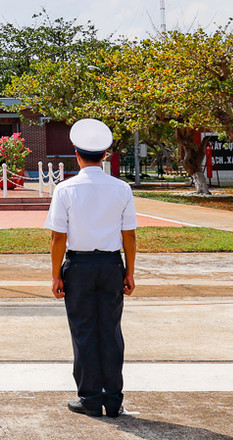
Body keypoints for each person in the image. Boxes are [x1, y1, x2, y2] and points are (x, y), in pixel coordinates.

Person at [45, 118, 137, 418]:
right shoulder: (122, 188)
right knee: (110, 332)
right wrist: (129, 271)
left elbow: (58, 237)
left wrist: (56, 273)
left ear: (77, 154)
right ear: (106, 154)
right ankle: (113, 400)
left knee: (84, 332)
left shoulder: (65, 189)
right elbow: (129, 235)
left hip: (79, 265)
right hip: (111, 264)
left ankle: (89, 398)